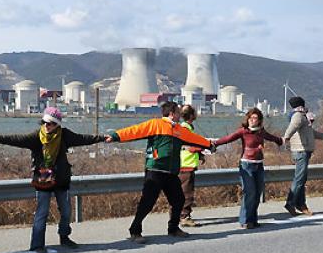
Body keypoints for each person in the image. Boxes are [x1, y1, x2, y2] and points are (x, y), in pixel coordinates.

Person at [0, 107, 105, 253]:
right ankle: (37, 245)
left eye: (50, 123)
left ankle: (64, 237)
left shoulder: (64, 135)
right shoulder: (37, 137)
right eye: (44, 122)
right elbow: (16, 139)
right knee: (42, 211)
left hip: (61, 177)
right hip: (43, 176)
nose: (46, 126)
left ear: (57, 125)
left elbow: (83, 139)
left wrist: (103, 138)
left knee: (66, 211)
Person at [105, 101, 212, 243]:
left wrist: (210, 145)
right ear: (172, 113)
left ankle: (173, 228)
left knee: (179, 200)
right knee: (147, 202)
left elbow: (195, 139)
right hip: (155, 169)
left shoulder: (179, 130)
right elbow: (135, 130)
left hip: (171, 172)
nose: (180, 115)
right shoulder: (155, 124)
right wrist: (115, 136)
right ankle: (135, 231)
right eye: (178, 112)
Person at [213, 108, 284, 229]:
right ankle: (245, 220)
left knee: (257, 193)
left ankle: (253, 219)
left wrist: (280, 141)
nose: (252, 120)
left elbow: (271, 137)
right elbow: (228, 138)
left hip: (259, 164)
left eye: (255, 118)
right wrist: (214, 143)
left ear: (259, 120)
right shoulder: (244, 131)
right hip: (247, 165)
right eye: (250, 118)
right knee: (249, 192)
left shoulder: (261, 131)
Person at [282, 96, 323, 216]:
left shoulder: (302, 116)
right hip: (301, 150)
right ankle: (290, 203)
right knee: (299, 179)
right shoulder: (298, 115)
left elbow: (312, 133)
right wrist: (286, 137)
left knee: (301, 179)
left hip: (303, 150)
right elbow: (293, 126)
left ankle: (301, 204)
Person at [178, 105, 205, 227]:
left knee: (181, 192)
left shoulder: (186, 127)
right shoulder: (185, 128)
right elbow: (188, 146)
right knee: (186, 193)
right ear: (191, 115)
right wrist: (202, 148)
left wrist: (200, 155)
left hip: (185, 164)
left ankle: (178, 215)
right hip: (185, 165)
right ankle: (184, 216)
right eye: (195, 112)